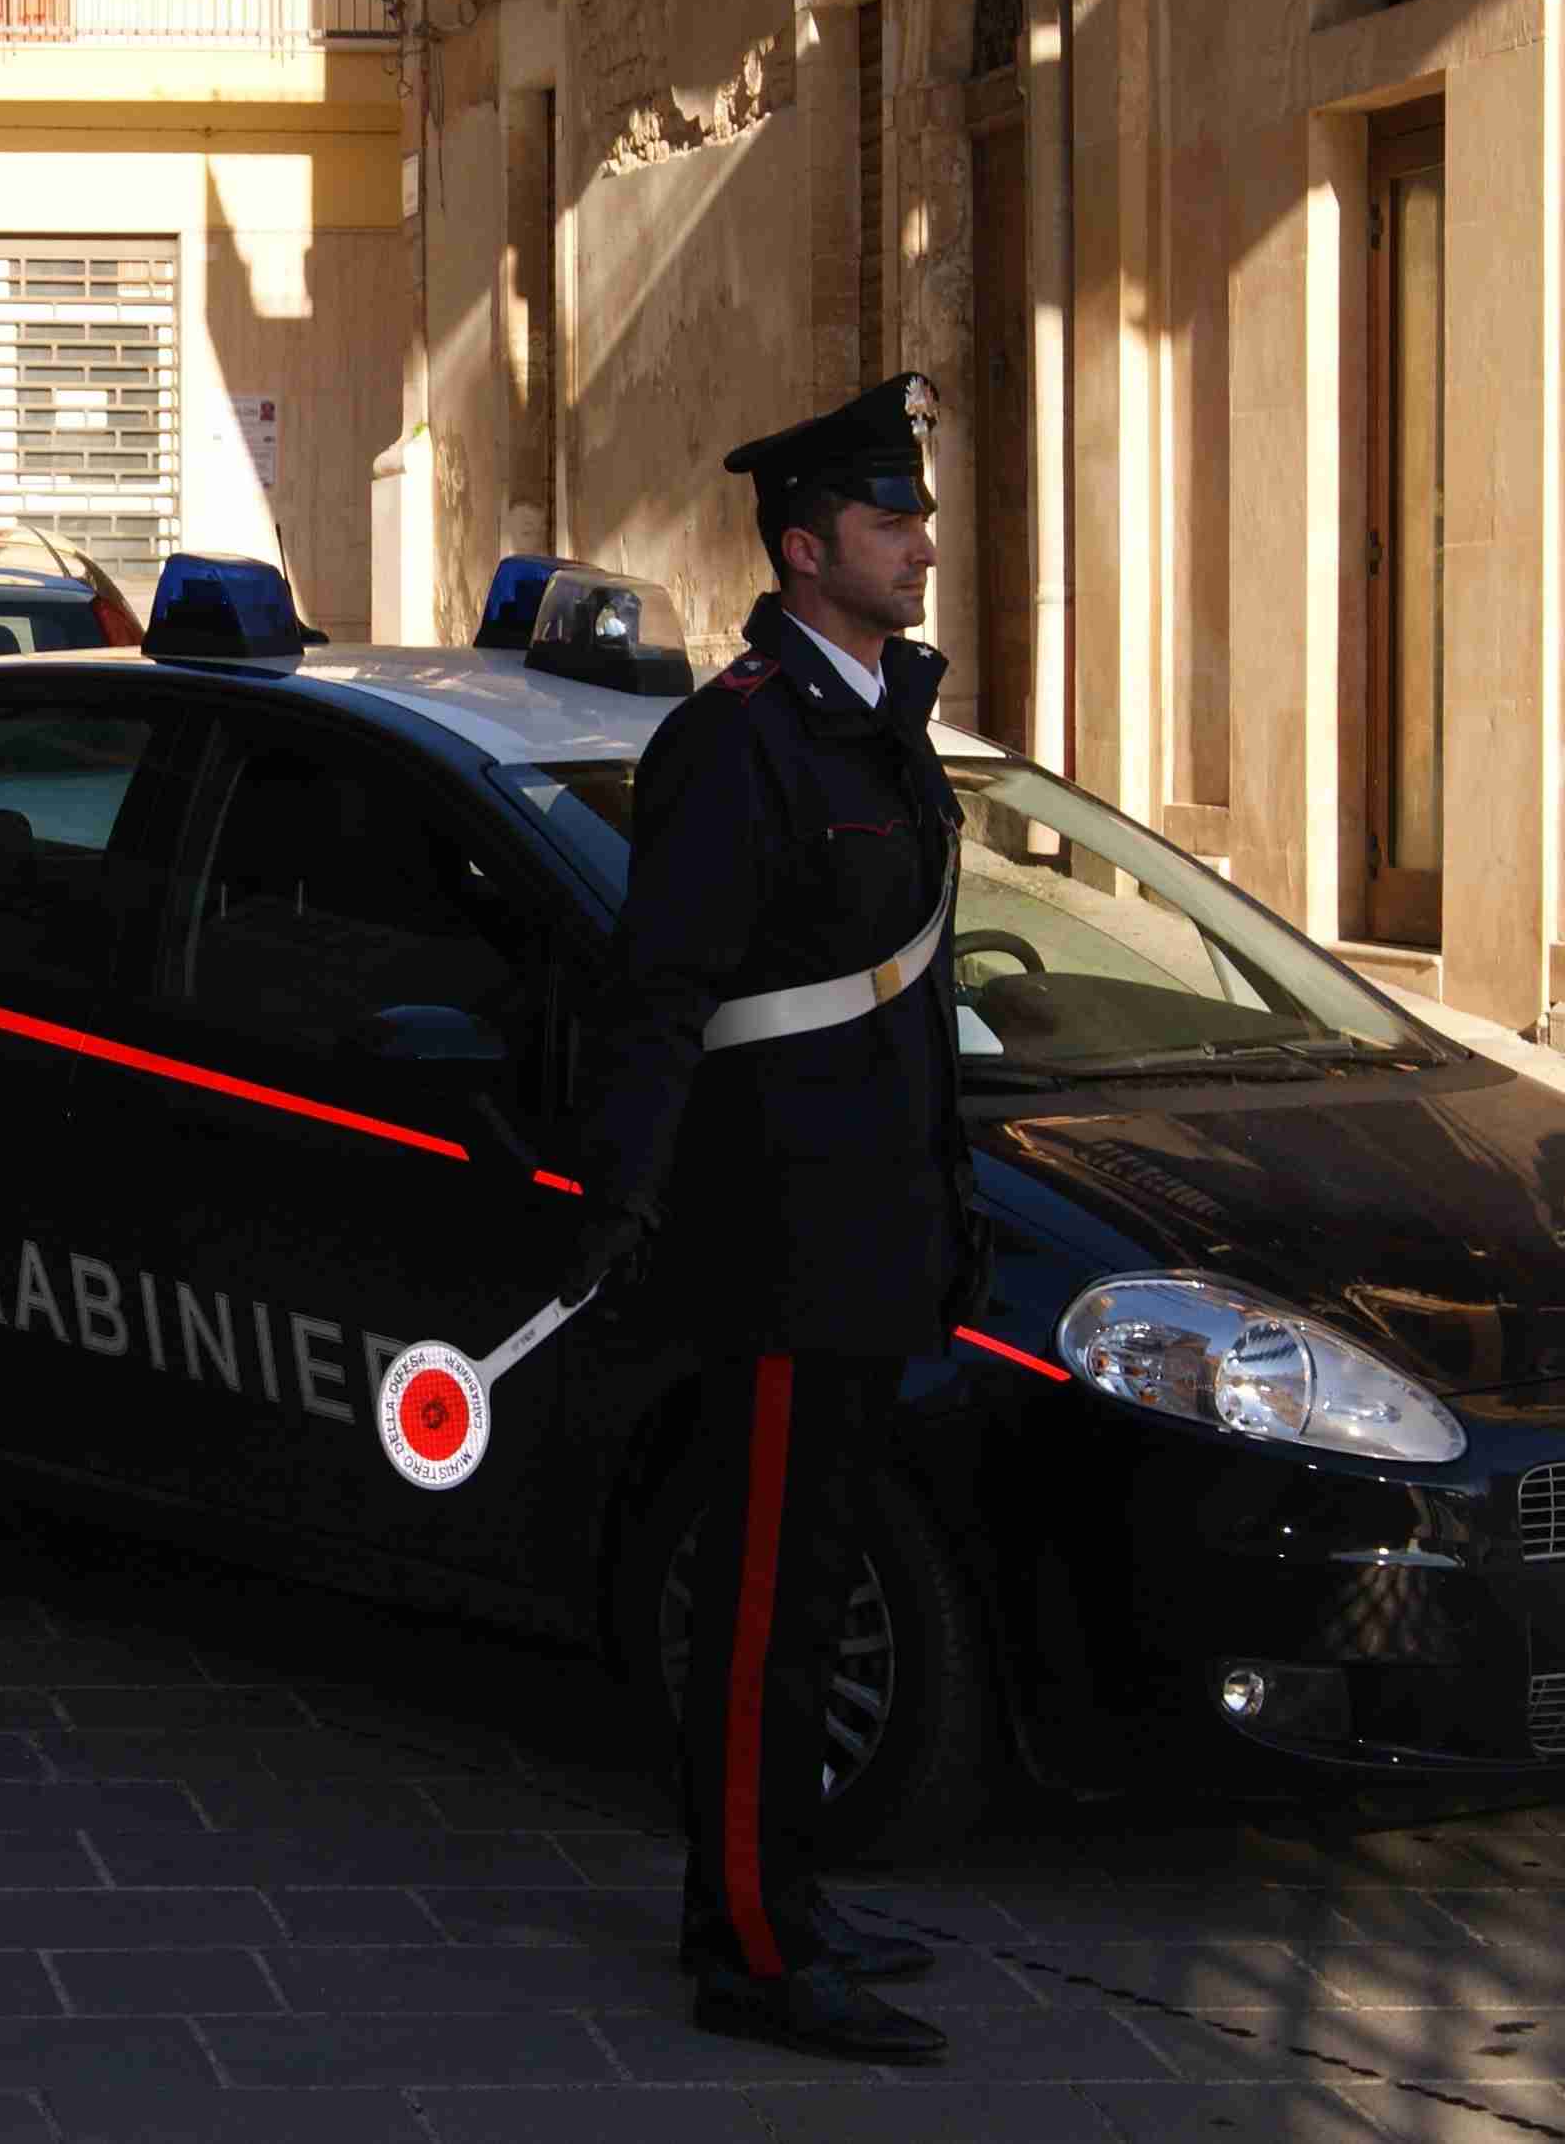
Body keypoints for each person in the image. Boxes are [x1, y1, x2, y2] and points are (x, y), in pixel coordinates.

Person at [562, 371, 982, 2065]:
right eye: (892, 519)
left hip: (875, 1236)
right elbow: (659, 996)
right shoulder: (735, 743)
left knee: (808, 1601)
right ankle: (747, 1941)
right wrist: (621, 1200)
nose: (922, 542)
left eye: (919, 514)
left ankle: (775, 1893)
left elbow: (905, 1004)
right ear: (805, 549)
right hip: (780, 1246)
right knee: (755, 1616)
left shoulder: (875, 720)